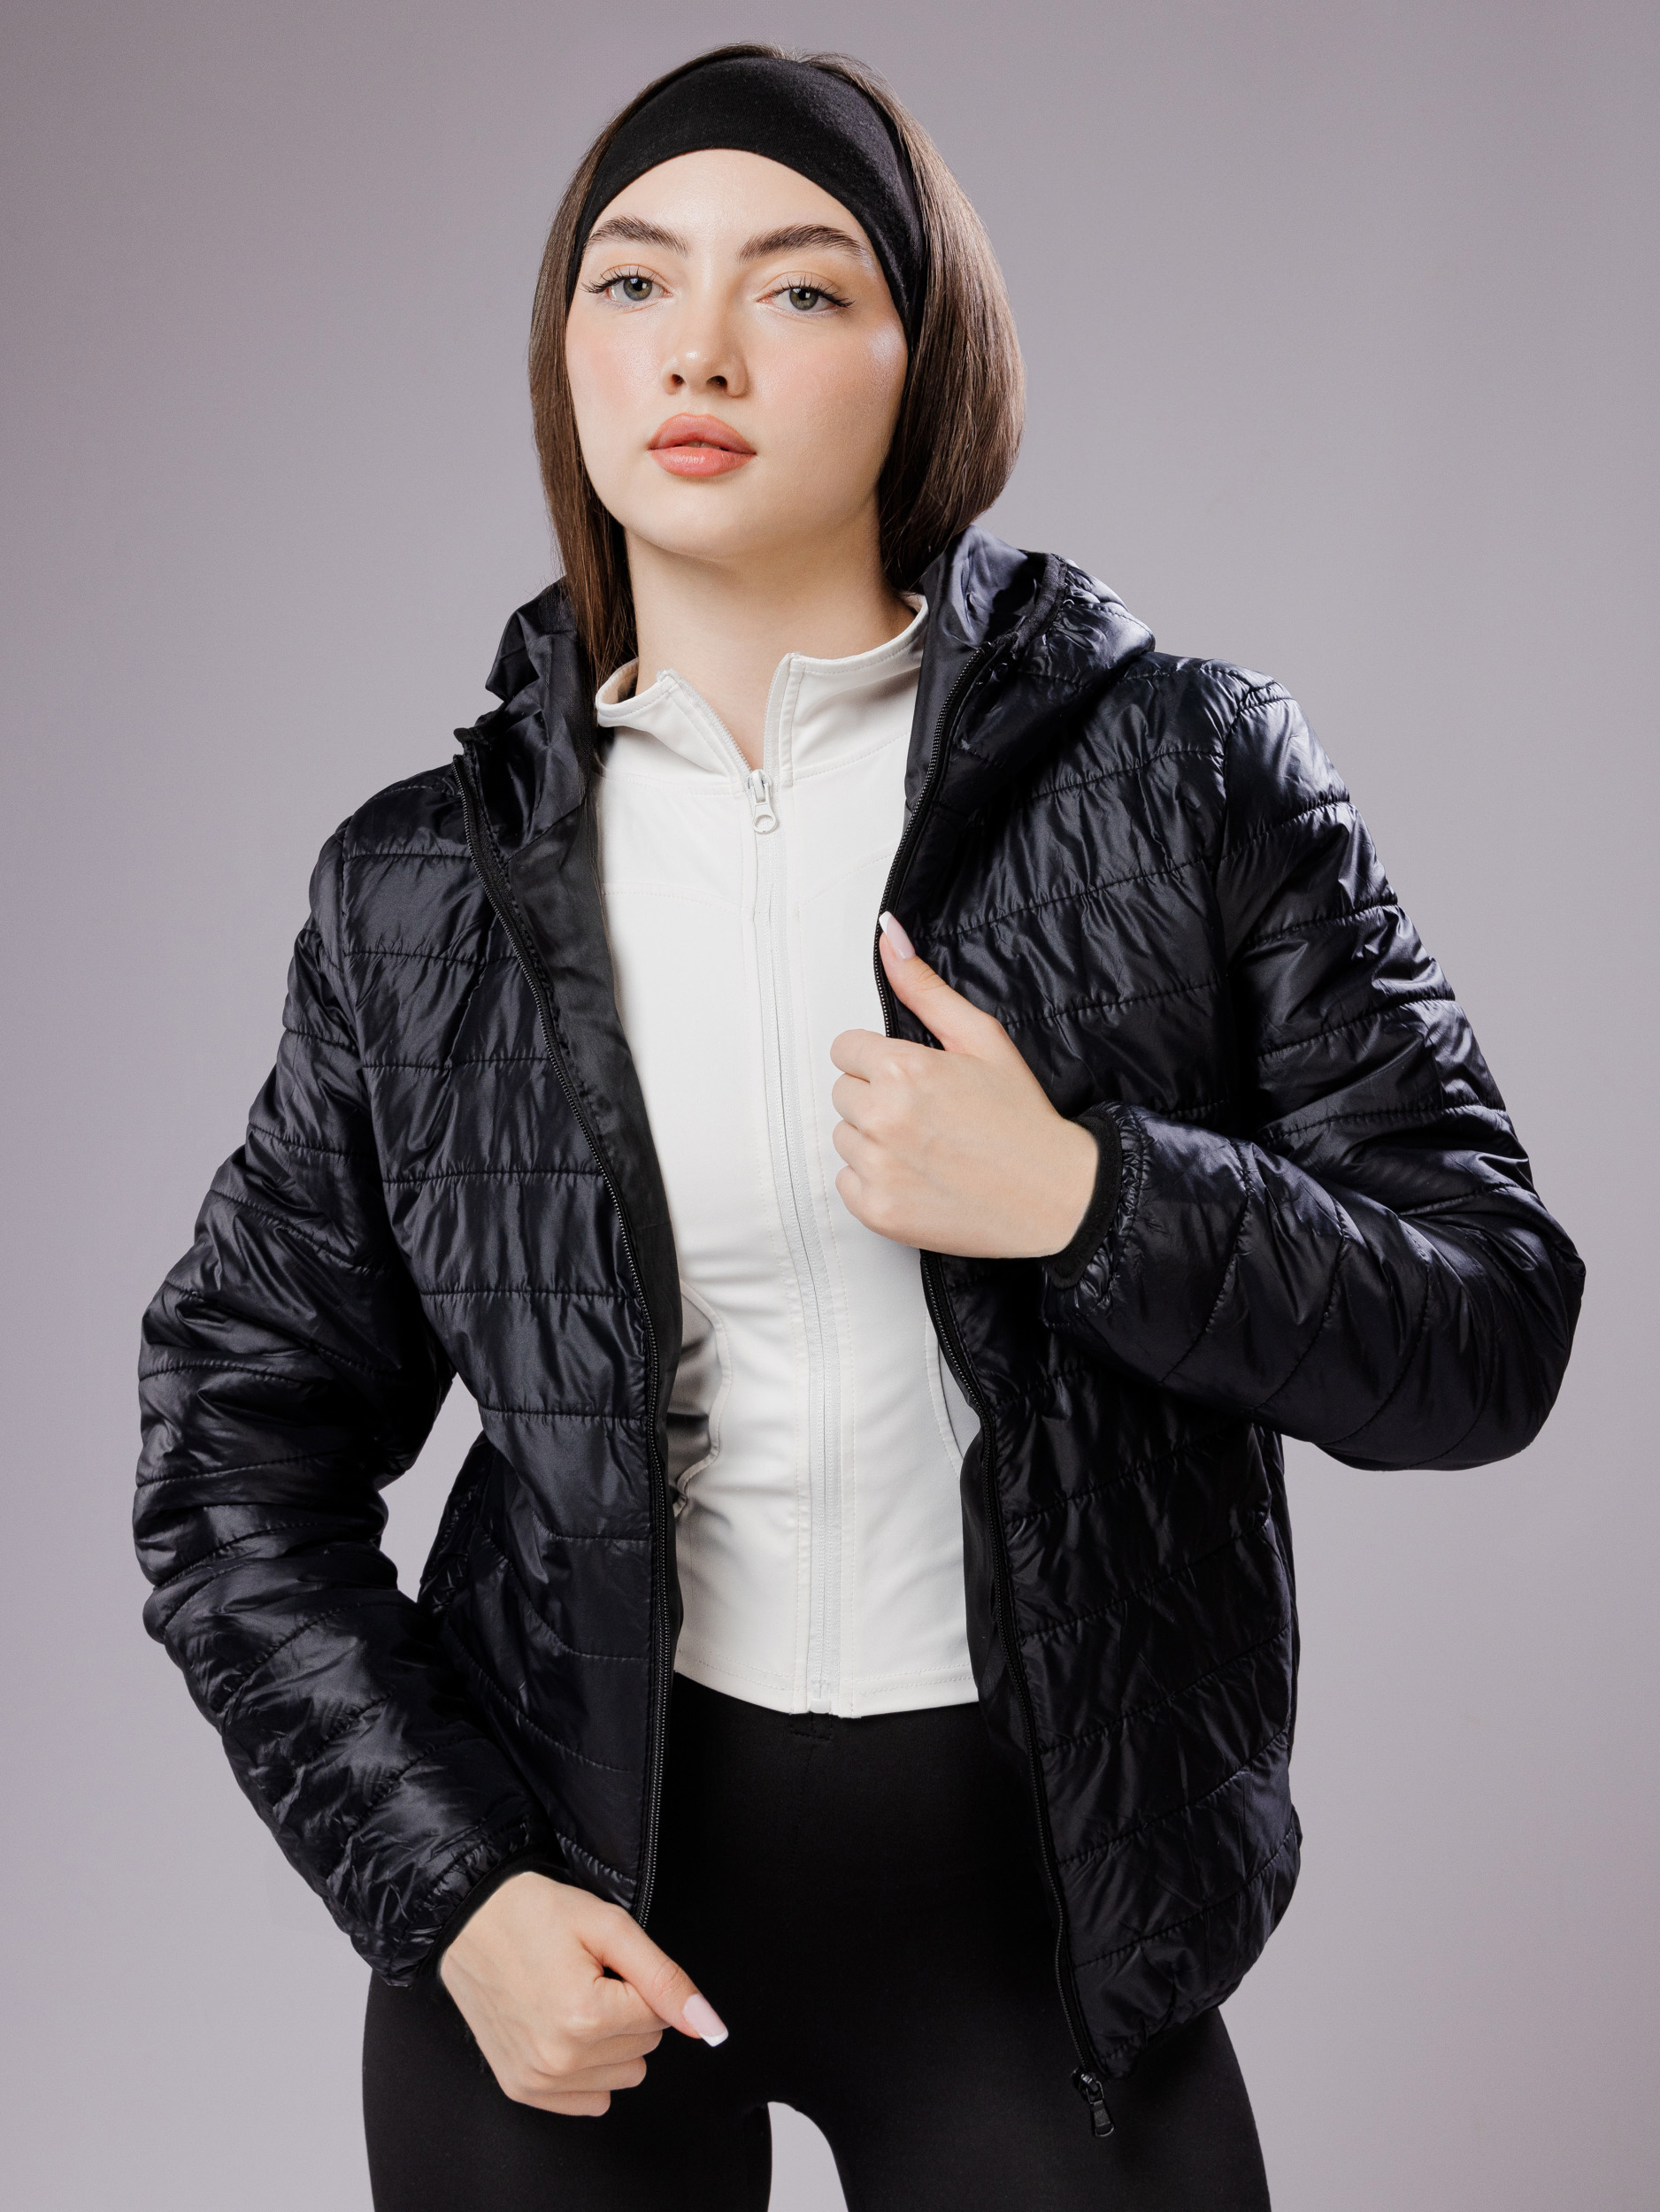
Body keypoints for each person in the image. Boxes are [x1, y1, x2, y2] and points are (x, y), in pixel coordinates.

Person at [133, 42, 1584, 2212]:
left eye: (799, 288)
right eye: (632, 281)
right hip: (574, 1902)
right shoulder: (419, 888)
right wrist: (454, 1892)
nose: (697, 349)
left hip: (1045, 1916)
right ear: (565, 348)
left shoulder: (1185, 775)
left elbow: (1489, 1320)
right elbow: (232, 1450)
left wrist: (1088, 1196)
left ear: (928, 362)